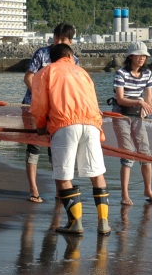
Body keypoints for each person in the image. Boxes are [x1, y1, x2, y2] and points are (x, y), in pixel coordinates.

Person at [30, 43, 110, 236]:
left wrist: (40, 126)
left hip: (64, 124)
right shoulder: (83, 72)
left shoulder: (47, 71)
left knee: (63, 175)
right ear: (71, 56)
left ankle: (75, 223)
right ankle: (104, 223)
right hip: (91, 124)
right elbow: (93, 101)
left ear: (52, 57)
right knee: (96, 173)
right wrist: (98, 128)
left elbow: (39, 104)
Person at [21, 23, 77, 203]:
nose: (58, 41)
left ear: (70, 41)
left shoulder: (72, 59)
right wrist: (40, 97)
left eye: (63, 39)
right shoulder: (42, 53)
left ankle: (59, 190)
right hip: (34, 107)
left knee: (57, 151)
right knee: (34, 148)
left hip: (59, 112)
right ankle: (33, 189)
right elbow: (28, 77)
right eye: (56, 38)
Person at [112, 41, 152, 205]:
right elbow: (120, 99)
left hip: (138, 116)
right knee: (128, 153)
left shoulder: (147, 74)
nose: (142, 58)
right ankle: (125, 194)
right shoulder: (120, 74)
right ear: (131, 56)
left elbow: (149, 99)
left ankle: (148, 190)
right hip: (121, 115)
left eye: (144, 55)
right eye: (139, 55)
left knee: (145, 153)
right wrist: (139, 101)